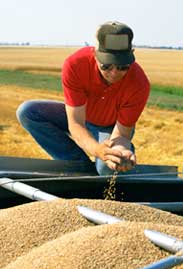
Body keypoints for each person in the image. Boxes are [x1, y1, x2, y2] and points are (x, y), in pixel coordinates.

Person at [16, 21, 150, 175]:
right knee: (28, 112)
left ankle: (101, 173)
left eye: (122, 66)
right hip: (81, 117)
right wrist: (96, 149)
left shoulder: (139, 84)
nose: (114, 73)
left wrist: (119, 150)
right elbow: (76, 124)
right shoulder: (75, 65)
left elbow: (122, 134)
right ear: (95, 54)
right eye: (106, 66)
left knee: (108, 168)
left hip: (112, 128)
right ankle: (80, 168)